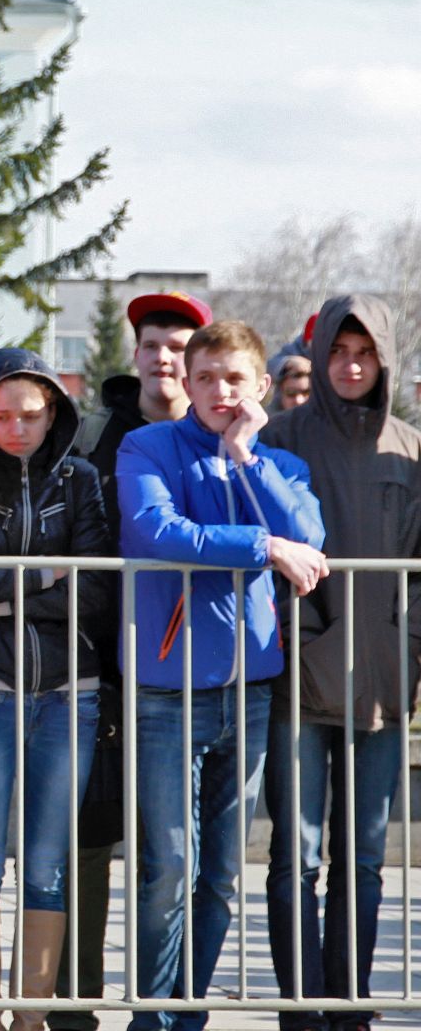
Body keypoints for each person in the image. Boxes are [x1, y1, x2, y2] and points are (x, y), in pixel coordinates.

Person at [118, 319, 326, 1031]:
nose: (217, 391)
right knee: (170, 866)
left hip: (250, 688)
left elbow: (313, 538)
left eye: (233, 378)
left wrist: (244, 458)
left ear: (261, 387)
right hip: (165, 691)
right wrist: (263, 546)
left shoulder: (278, 462)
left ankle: (190, 1014)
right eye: (204, 377)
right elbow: (157, 530)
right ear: (186, 383)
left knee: (220, 875)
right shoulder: (145, 446)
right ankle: (153, 1016)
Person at [0, 350, 109, 1031]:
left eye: (30, 414)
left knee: (45, 869)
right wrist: (47, 577)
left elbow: (96, 587)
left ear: (52, 412)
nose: (16, 427)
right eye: (2, 414)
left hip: (72, 691)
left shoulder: (85, 479)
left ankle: (30, 1018)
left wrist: (6, 591)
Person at [49, 290, 210, 1031]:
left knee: (170, 856)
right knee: (87, 844)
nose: (165, 359)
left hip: (191, 677)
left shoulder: (215, 439)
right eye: (152, 344)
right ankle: (75, 1006)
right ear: (135, 353)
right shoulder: (91, 441)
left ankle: (164, 1009)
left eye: (179, 346)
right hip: (100, 672)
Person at [258, 296, 421, 1028]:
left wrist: (410, 651)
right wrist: (300, 633)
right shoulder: (283, 435)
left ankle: (349, 1003)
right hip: (300, 677)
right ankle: (300, 1005)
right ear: (317, 356)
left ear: (383, 361)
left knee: (362, 858)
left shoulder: (410, 451)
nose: (350, 367)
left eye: (365, 355)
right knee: (297, 855)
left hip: (384, 680)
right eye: (337, 353)